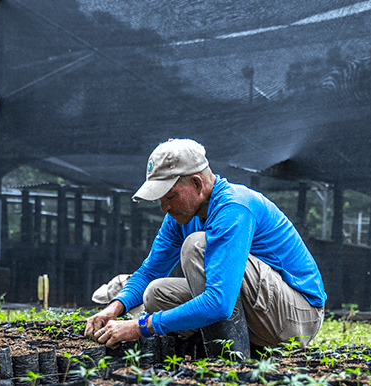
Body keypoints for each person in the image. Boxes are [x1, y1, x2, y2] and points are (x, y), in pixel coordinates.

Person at [84, 138, 326, 354]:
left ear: (197, 184)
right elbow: (150, 271)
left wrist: (140, 327)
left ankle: (230, 358)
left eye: (169, 196)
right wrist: (114, 308)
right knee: (156, 292)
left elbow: (220, 303)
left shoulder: (234, 208)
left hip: (299, 316)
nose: (163, 208)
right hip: (261, 310)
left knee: (197, 245)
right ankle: (222, 345)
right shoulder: (179, 218)